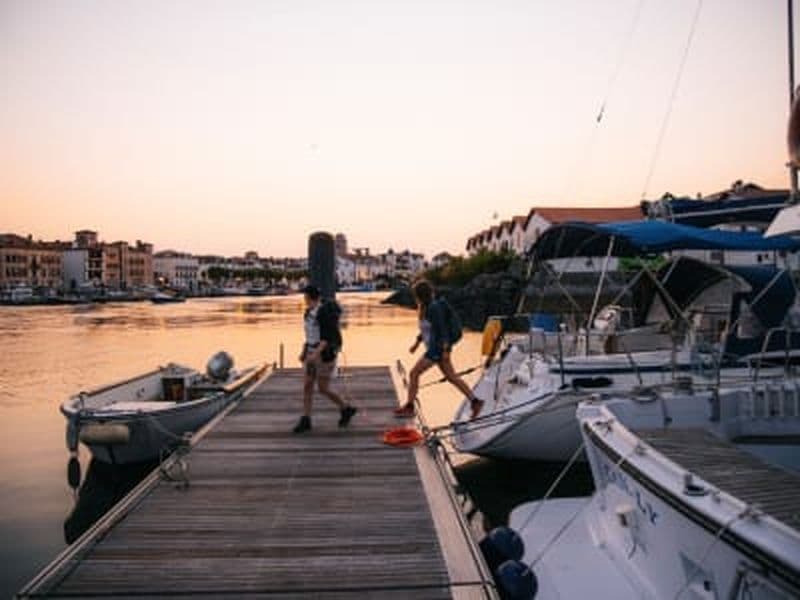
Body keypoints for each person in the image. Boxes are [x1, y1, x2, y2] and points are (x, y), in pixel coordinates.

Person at [395, 279, 484, 419]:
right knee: (452, 377)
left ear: (419, 295)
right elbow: (428, 330)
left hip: (437, 350)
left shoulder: (434, 308)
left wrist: (446, 351)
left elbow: (442, 330)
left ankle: (409, 407)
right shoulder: (426, 308)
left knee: (414, 373)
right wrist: (417, 343)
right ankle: (475, 401)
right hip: (436, 348)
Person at [293, 285, 357, 433]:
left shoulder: (324, 313)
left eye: (305, 297)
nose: (304, 300)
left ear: (309, 297)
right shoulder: (308, 313)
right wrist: (304, 351)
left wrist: (315, 354)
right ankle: (306, 419)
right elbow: (310, 335)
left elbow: (327, 338)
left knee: (323, 388)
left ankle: (346, 408)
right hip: (310, 352)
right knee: (307, 385)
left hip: (323, 355)